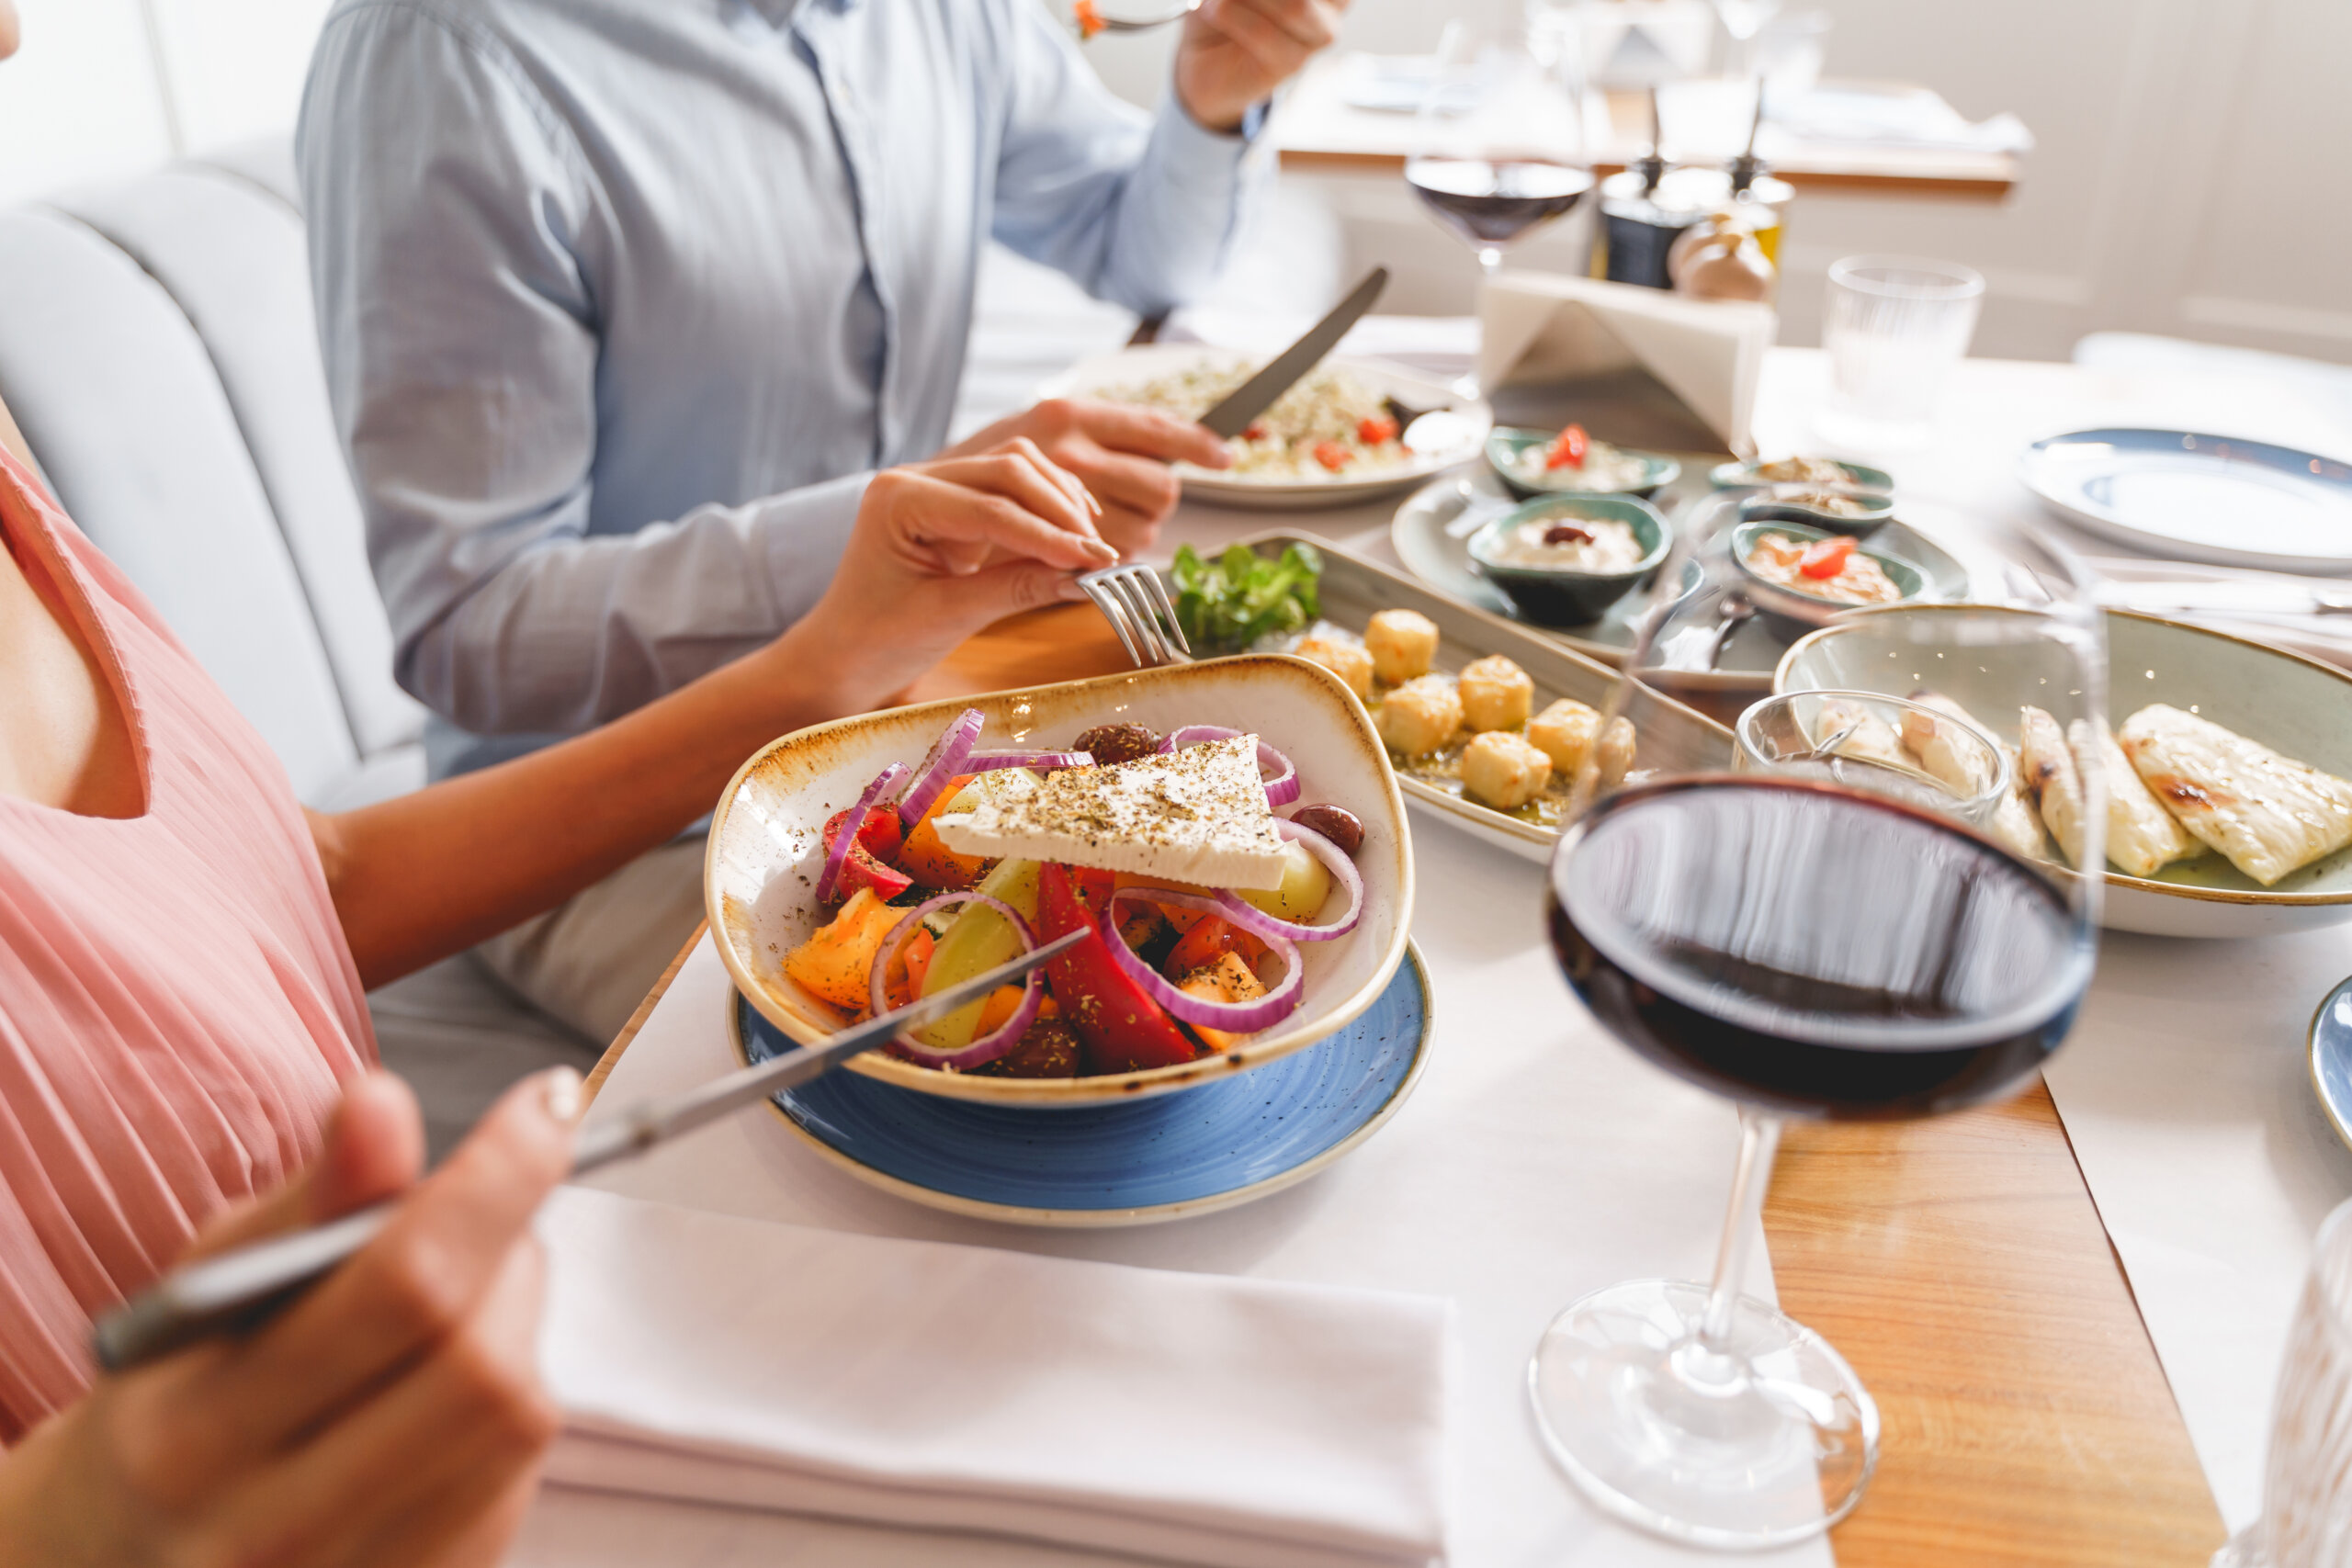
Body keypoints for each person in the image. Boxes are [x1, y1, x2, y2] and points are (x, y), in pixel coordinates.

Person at [300, 0, 1344, 1043]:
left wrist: (1210, 107)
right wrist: (893, 522)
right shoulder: (445, 52)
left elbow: (1139, 250)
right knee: (1066, 1060)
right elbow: (469, 633)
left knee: (1304, 946)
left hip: (896, 737)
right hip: (613, 833)